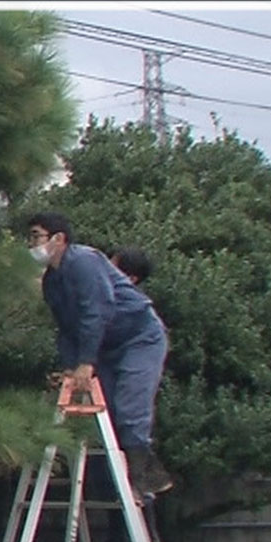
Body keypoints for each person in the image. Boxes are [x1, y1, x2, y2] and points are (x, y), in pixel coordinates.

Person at [26, 212, 173, 495]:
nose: (31, 244)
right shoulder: (52, 282)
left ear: (58, 239)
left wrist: (85, 362)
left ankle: (143, 479)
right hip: (106, 346)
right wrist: (70, 367)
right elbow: (67, 328)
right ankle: (144, 478)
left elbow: (98, 310)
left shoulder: (83, 262)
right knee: (108, 415)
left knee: (130, 409)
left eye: (36, 236)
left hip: (138, 338)